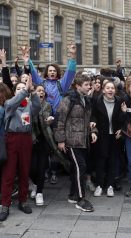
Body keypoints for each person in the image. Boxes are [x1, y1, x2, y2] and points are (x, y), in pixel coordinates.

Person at [53, 74, 97, 212]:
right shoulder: (68, 99)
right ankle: (80, 198)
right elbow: (59, 120)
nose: (89, 86)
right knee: (80, 167)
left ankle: (73, 195)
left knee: (76, 168)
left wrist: (93, 130)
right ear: (78, 86)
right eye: (86, 85)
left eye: (89, 84)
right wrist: (60, 140)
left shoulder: (87, 100)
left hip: (83, 140)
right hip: (71, 140)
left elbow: (90, 119)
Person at [0, 76, 41, 221]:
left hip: (26, 139)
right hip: (11, 138)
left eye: (23, 88)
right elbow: (12, 104)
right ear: (14, 91)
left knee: (24, 171)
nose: (21, 91)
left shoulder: (28, 105)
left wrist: (33, 92)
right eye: (18, 89)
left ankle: (22, 201)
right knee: (9, 173)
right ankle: (5, 204)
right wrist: (24, 90)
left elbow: (37, 108)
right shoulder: (9, 104)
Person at [21, 43, 77, 115]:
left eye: (54, 71)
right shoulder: (41, 83)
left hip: (58, 117)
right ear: (47, 73)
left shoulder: (61, 84)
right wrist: (28, 61)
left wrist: (73, 57)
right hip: (43, 117)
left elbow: (69, 74)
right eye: (50, 71)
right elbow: (33, 72)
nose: (52, 72)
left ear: (57, 73)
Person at [91, 81, 125, 198]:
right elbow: (93, 115)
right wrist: (93, 124)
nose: (110, 90)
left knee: (112, 160)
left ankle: (110, 185)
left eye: (112, 88)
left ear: (115, 91)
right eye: (108, 88)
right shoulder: (97, 101)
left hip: (115, 135)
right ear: (103, 90)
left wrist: (121, 129)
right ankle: (99, 185)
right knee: (101, 160)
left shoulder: (120, 101)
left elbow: (122, 119)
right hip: (102, 135)